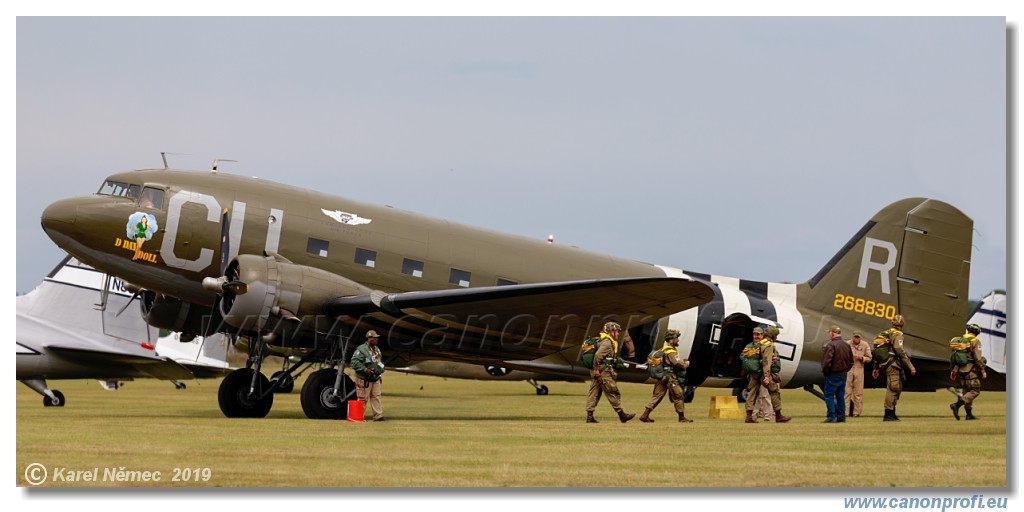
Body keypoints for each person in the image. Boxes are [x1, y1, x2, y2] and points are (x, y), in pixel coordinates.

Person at [585, 321, 635, 423]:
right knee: (612, 391)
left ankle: (590, 416)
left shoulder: (602, 339)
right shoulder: (607, 342)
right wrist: (596, 369)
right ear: (610, 332)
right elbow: (598, 356)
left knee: (594, 393)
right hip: (603, 372)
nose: (617, 334)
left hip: (598, 371)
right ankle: (622, 415)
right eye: (616, 332)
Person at [639, 329, 692, 423]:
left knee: (657, 396)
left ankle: (645, 415)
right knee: (678, 395)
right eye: (676, 338)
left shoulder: (663, 349)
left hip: (662, 376)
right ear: (670, 340)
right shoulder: (670, 351)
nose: (678, 340)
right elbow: (676, 363)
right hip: (670, 378)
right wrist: (686, 364)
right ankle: (682, 417)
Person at [871, 314, 916, 421]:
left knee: (896, 386)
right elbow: (899, 350)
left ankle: (892, 412)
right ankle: (888, 414)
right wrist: (910, 366)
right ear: (902, 324)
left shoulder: (885, 333)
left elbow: (878, 352)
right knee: (893, 388)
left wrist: (876, 367)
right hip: (892, 364)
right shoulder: (897, 334)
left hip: (884, 364)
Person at [743, 327, 791, 423]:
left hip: (754, 373)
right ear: (773, 336)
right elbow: (766, 362)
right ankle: (778, 415)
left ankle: (749, 417)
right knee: (774, 392)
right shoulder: (768, 345)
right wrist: (766, 376)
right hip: (763, 373)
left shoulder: (759, 344)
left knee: (751, 393)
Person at [950, 323, 988, 420]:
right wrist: (982, 370)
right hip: (971, 371)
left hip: (960, 370)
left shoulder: (961, 340)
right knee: (975, 390)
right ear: (977, 332)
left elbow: (955, 357)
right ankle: (957, 405)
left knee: (967, 391)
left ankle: (969, 414)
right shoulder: (976, 341)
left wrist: (953, 371)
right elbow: (978, 359)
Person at [350, 330, 386, 421]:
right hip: (364, 379)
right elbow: (354, 362)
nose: (376, 340)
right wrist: (365, 370)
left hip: (375, 378)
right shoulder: (361, 350)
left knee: (376, 397)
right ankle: (359, 416)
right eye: (374, 338)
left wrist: (381, 369)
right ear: (369, 338)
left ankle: (378, 416)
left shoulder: (377, 349)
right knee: (363, 398)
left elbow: (378, 361)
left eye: (377, 338)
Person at [821, 326, 853, 423]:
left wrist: (825, 372)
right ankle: (841, 417)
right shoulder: (846, 345)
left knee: (829, 395)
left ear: (832, 333)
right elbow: (851, 361)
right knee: (840, 396)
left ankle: (831, 416)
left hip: (832, 374)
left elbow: (827, 362)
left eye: (829, 332)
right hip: (843, 374)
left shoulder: (830, 345)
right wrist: (846, 370)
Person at [845, 331, 872, 417]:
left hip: (859, 368)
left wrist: (861, 358)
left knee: (858, 393)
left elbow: (869, 358)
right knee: (846, 392)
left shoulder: (865, 345)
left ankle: (856, 413)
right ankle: (845, 412)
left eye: (858, 338)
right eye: (855, 337)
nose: (856, 339)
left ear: (860, 338)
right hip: (848, 369)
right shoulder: (847, 344)